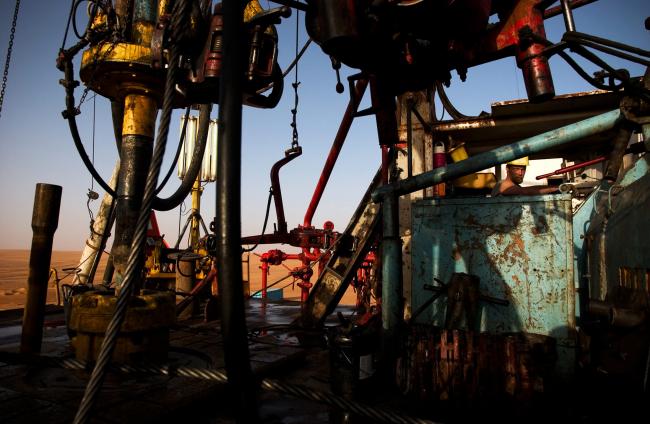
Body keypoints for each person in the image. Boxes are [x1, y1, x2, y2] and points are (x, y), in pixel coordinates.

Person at [491, 157, 560, 196]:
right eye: (516, 169)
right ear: (507, 168)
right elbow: (525, 191)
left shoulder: (517, 188)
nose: (520, 173)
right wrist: (554, 188)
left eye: (523, 169)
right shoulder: (502, 184)